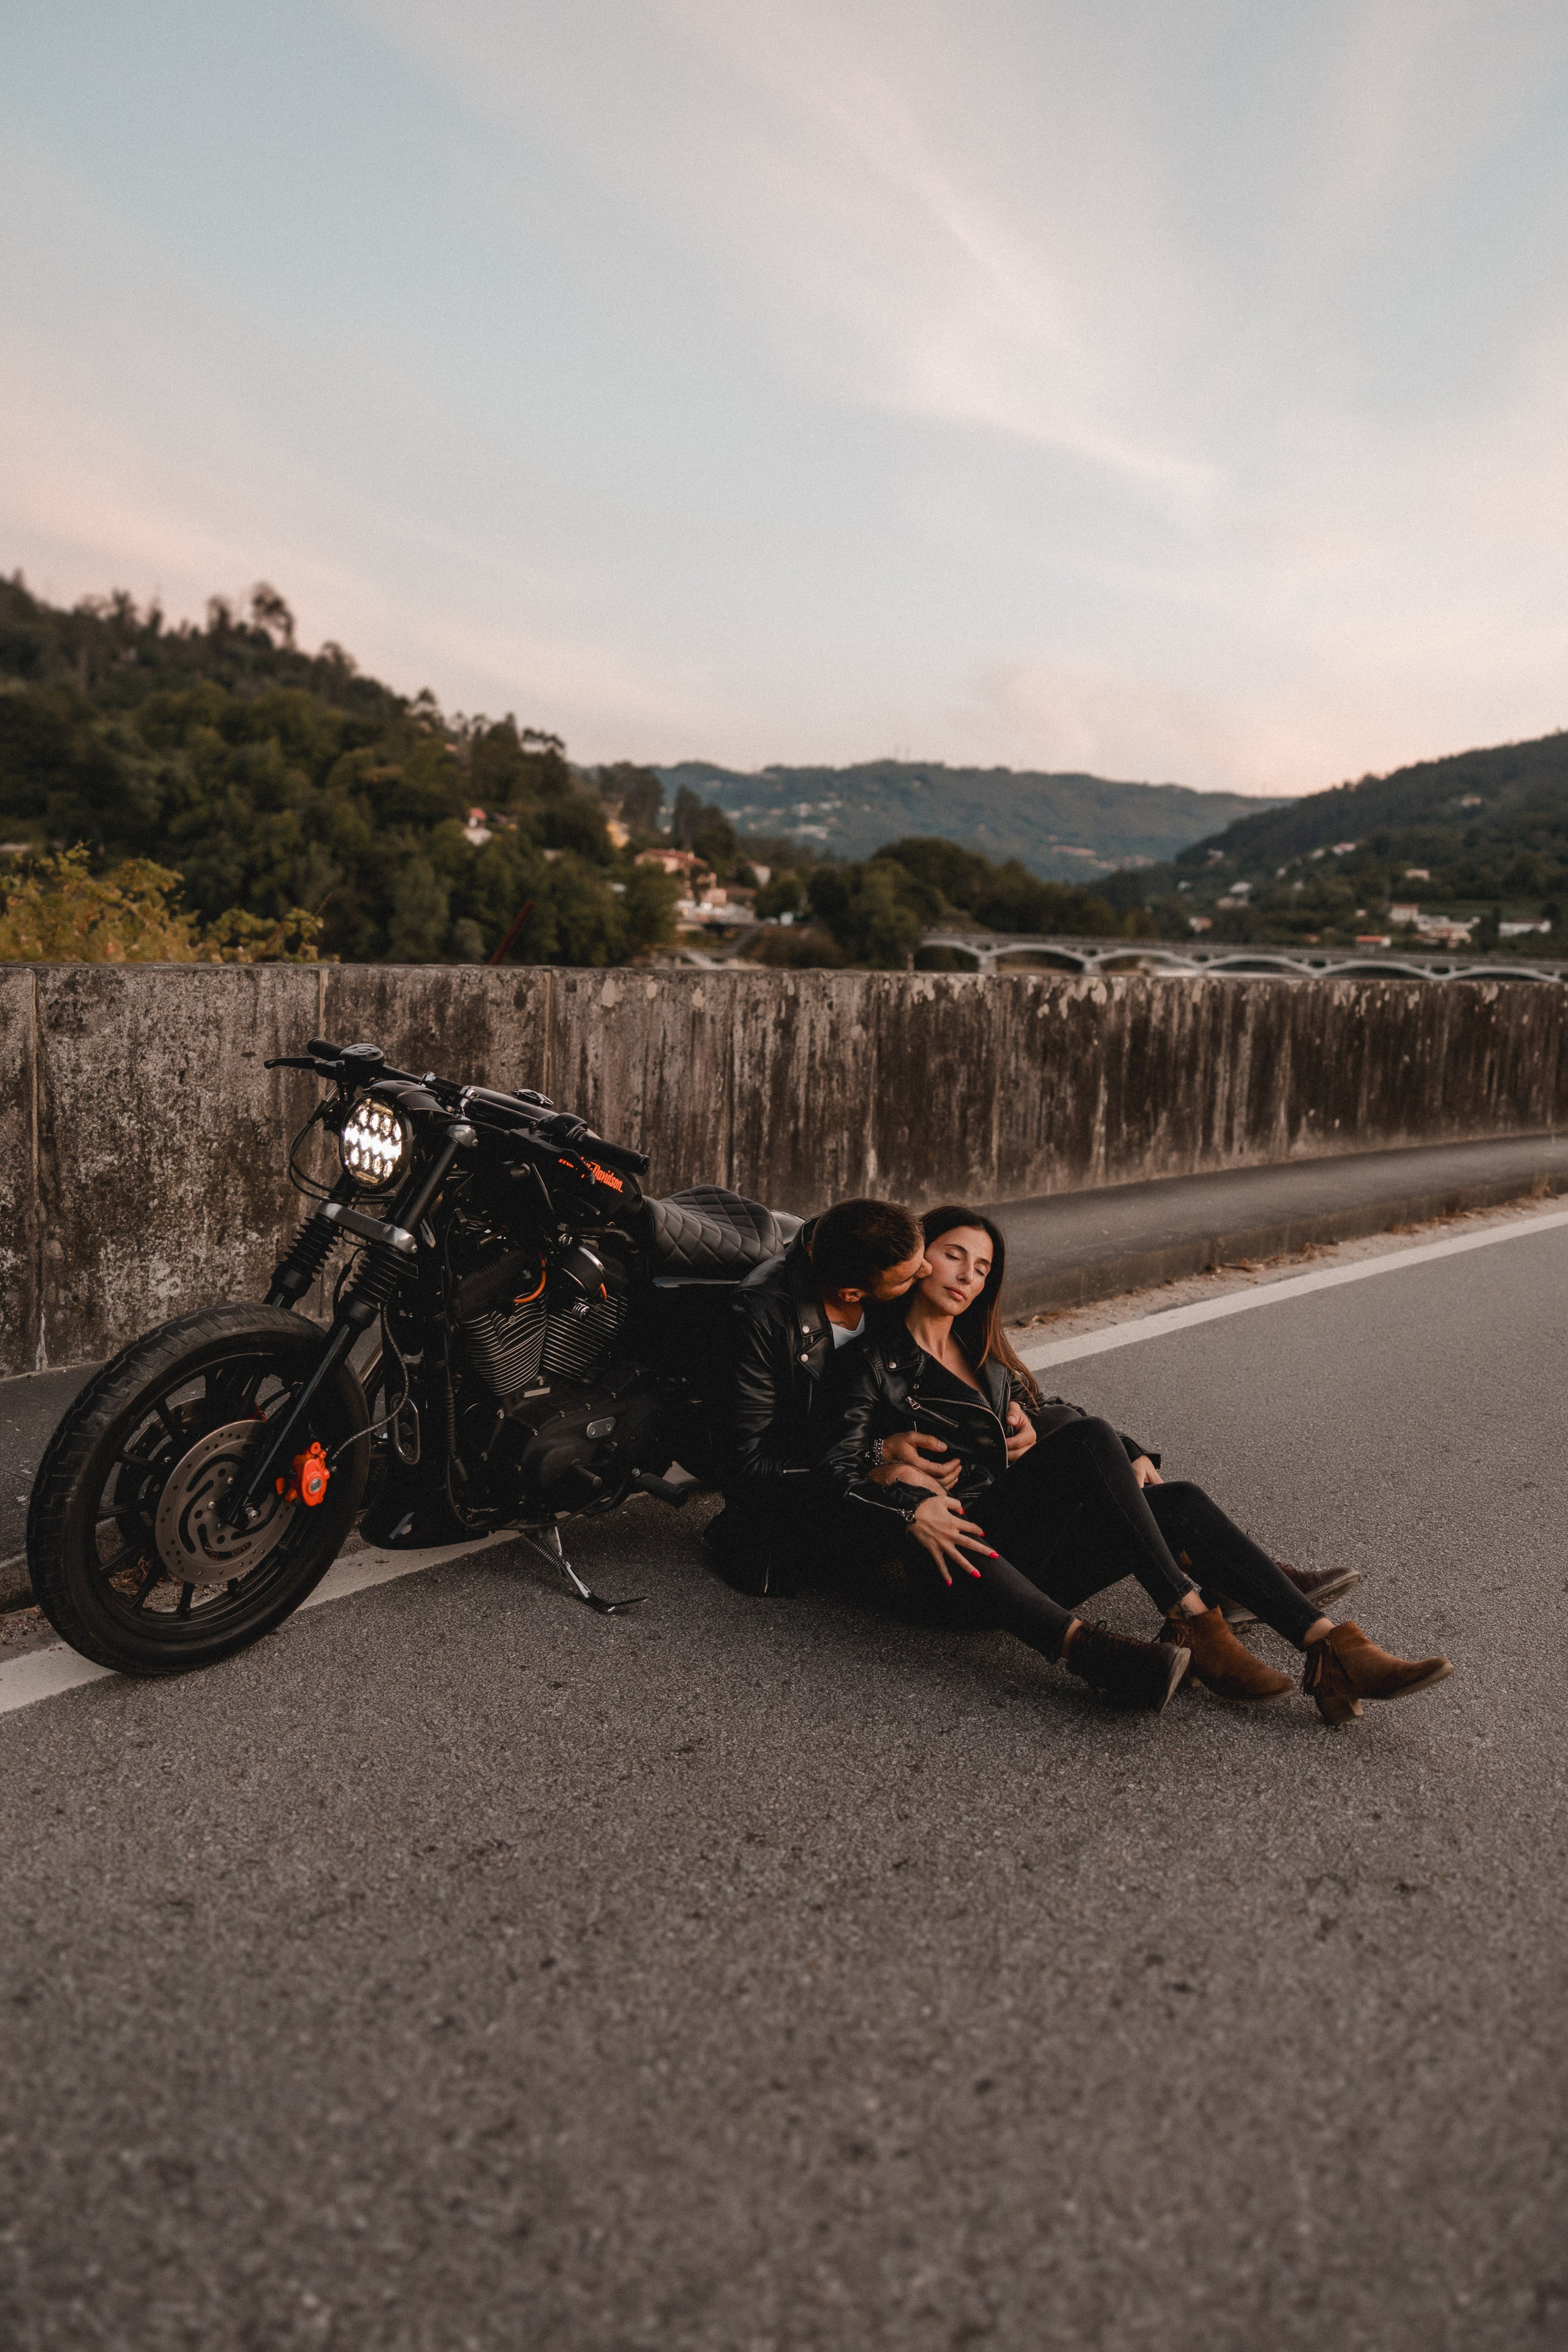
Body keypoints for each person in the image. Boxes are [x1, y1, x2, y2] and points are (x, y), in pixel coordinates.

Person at [816, 1205, 1455, 1728]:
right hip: (954, 1571)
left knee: (1173, 1499)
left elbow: (1057, 1413)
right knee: (1093, 1440)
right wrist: (891, 1470)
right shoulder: (872, 1361)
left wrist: (1132, 1455)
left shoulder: (984, 1358)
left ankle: (1328, 1647)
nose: (967, 1275)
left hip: (1030, 1554)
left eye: (982, 1267)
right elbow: (834, 1468)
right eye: (954, 1255)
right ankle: (1196, 1619)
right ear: (921, 1258)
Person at [714, 1195, 1193, 1713]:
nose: (926, 1270)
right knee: (917, 1487)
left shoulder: (873, 1259)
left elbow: (1031, 1399)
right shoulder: (765, 1316)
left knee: (1072, 1440)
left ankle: (1224, 1574)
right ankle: (1088, 1650)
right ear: (855, 1291)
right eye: (913, 1271)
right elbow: (747, 1468)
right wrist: (880, 1465)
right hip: (812, 1505)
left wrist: (1121, 1447)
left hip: (874, 1473)